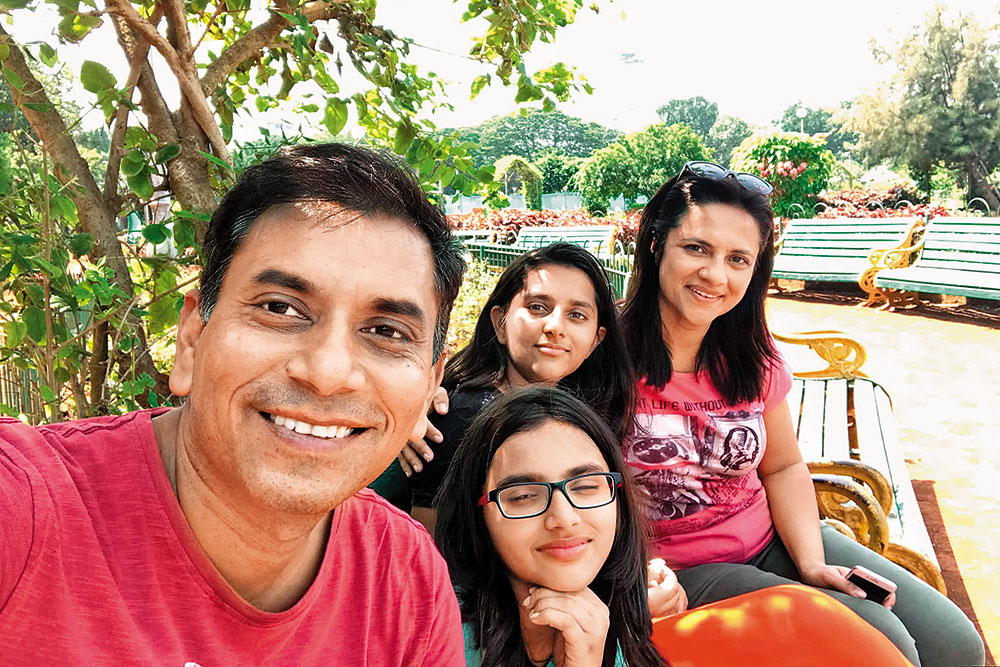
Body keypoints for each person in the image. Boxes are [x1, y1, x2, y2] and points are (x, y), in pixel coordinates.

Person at [0, 144, 466, 664]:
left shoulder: (405, 581)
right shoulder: (25, 510)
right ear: (192, 339)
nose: (329, 373)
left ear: (430, 382)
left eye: (386, 331)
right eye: (280, 308)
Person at [617, 161, 984, 666]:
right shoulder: (603, 357)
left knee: (954, 644)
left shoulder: (747, 349)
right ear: (656, 245)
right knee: (883, 645)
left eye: (738, 259)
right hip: (679, 570)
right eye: (696, 248)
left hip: (774, 538)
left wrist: (811, 562)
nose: (715, 274)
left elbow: (784, 465)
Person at [436, 386, 913, 667]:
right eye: (523, 496)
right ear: (478, 513)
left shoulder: (623, 616)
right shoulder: (438, 637)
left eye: (586, 486)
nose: (563, 519)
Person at [395, 243, 635, 535]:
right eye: (537, 307)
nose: (555, 326)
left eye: (577, 315)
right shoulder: (459, 417)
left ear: (595, 341)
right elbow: (430, 548)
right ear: (500, 322)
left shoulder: (588, 416)